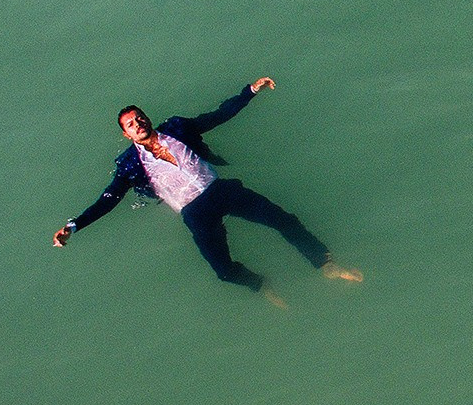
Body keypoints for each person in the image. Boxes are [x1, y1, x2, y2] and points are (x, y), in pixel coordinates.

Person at [53, 77, 361, 300]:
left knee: (284, 219)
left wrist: (249, 92)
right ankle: (259, 284)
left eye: (140, 117)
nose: (139, 123)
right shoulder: (130, 165)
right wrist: (73, 225)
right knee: (224, 271)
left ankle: (325, 264)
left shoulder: (176, 128)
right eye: (131, 124)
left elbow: (216, 117)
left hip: (220, 190)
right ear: (126, 135)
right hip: (194, 211)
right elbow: (108, 200)